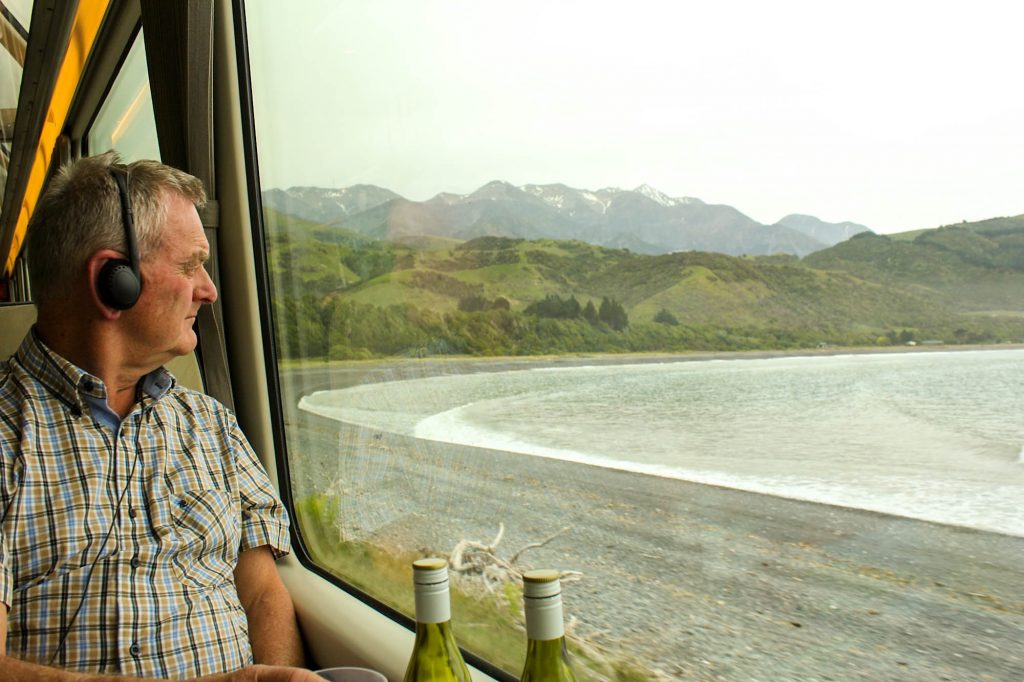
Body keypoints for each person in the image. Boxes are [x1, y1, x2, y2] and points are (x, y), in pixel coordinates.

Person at [0, 152, 322, 681]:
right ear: (113, 280)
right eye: (190, 264)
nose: (209, 289)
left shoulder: (211, 426)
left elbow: (263, 592)